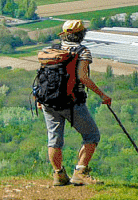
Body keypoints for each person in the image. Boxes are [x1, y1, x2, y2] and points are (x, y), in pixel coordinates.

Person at [40, 19, 112, 186]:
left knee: (54, 140)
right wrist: (102, 95)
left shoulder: (50, 50)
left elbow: (42, 77)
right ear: (81, 34)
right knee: (91, 135)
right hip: (72, 102)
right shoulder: (83, 52)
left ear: (64, 34)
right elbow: (83, 77)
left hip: (48, 102)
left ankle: (58, 175)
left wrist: (39, 98)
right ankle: (80, 172)